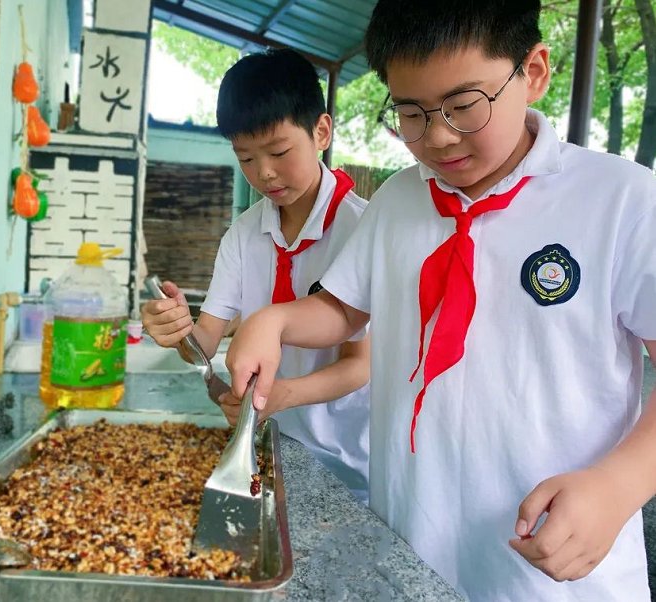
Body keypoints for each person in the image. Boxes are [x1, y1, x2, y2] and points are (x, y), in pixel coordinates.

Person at [224, 1, 656, 600]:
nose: (439, 136)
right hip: (408, 546)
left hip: (554, 569)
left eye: (463, 104)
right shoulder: (400, 200)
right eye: (410, 112)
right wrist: (273, 321)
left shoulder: (623, 203)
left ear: (532, 72)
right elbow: (344, 310)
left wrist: (619, 486)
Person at [141, 48, 371, 500]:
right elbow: (205, 343)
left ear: (321, 131)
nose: (264, 173)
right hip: (261, 444)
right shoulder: (244, 236)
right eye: (245, 158)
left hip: (344, 457)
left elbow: (359, 366)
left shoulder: (361, 230)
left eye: (279, 151)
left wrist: (283, 395)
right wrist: (176, 331)